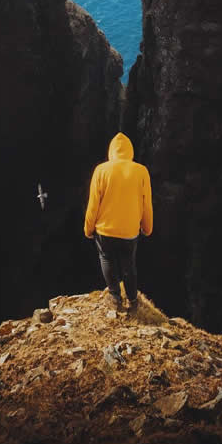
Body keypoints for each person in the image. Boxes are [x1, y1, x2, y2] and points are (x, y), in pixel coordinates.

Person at [84, 132, 153, 313]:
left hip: (105, 231)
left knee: (106, 258)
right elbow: (147, 205)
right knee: (129, 264)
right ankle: (132, 300)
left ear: (111, 151)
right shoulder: (141, 171)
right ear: (130, 151)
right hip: (130, 231)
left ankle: (115, 296)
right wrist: (147, 228)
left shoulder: (101, 170)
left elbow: (93, 204)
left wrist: (88, 228)